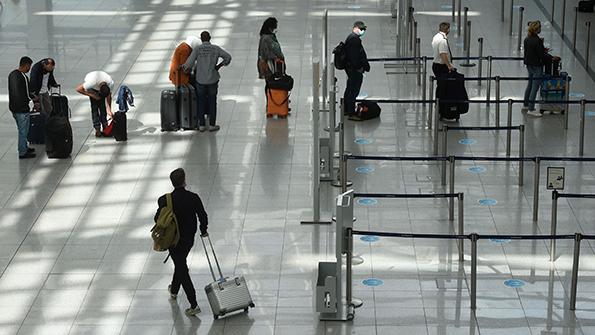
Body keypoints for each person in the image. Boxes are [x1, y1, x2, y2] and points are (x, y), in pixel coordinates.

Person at [154, 168, 208, 316]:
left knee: (181, 267)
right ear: (184, 181)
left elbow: (157, 219)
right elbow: (203, 216)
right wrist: (203, 230)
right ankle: (174, 290)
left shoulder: (164, 200)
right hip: (188, 239)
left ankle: (194, 304)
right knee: (180, 263)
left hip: (172, 240)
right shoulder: (193, 197)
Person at [182, 31, 231, 132]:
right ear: (210, 38)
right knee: (212, 101)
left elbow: (188, 64)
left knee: (200, 101)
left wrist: (183, 67)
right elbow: (228, 57)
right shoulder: (216, 48)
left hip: (200, 80)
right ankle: (212, 125)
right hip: (213, 79)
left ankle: (202, 125)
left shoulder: (197, 49)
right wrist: (219, 66)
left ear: (201, 39)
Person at [8, 56, 36, 159]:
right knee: (23, 131)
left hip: (13, 108)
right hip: (22, 109)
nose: (29, 69)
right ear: (26, 65)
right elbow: (26, 93)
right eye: (29, 66)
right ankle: (23, 152)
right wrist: (34, 99)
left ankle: (24, 147)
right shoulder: (23, 77)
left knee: (21, 130)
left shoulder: (11, 75)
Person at [343, 21, 370, 116]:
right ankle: (350, 110)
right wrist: (359, 67)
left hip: (351, 69)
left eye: (364, 29)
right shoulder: (354, 40)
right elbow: (355, 57)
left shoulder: (352, 38)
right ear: (355, 28)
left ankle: (346, 108)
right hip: (354, 70)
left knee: (350, 88)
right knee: (353, 90)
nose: (363, 31)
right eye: (361, 29)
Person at [76, 71, 114, 137]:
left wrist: (109, 109)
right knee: (94, 109)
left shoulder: (110, 84)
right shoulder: (91, 83)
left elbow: (108, 96)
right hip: (92, 89)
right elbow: (78, 89)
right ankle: (97, 129)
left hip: (100, 85)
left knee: (103, 108)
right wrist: (92, 95)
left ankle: (105, 125)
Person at [523, 20, 548, 117]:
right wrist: (549, 57)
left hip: (529, 64)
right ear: (537, 29)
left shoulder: (527, 39)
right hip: (537, 65)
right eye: (540, 27)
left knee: (530, 84)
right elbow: (541, 55)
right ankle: (531, 108)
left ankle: (525, 104)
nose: (541, 29)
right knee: (535, 87)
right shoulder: (537, 41)